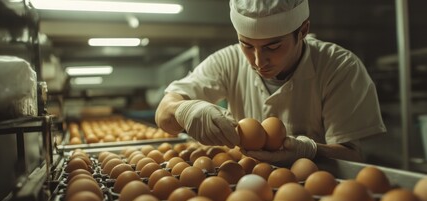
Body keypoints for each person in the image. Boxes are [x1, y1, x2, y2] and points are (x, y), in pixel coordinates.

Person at [155, 0, 386, 166]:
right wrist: (185, 109)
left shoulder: (339, 67)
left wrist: (310, 151)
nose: (257, 61)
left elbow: (354, 157)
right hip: (249, 186)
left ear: (303, 30)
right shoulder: (228, 60)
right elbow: (164, 112)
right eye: (246, 45)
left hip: (316, 193)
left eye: (273, 47)